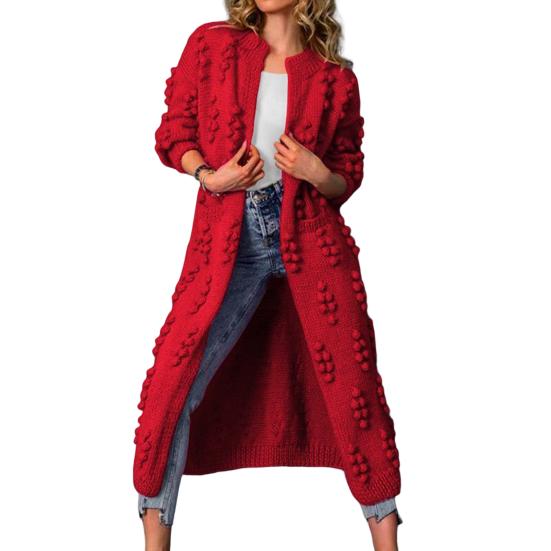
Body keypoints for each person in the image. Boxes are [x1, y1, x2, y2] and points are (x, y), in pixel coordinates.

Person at [135, 2, 403, 550]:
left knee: (356, 394)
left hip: (314, 242)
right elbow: (174, 133)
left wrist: (317, 171)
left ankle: (387, 537)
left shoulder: (334, 76)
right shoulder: (213, 44)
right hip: (231, 243)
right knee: (172, 382)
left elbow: (347, 175)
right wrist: (210, 176)